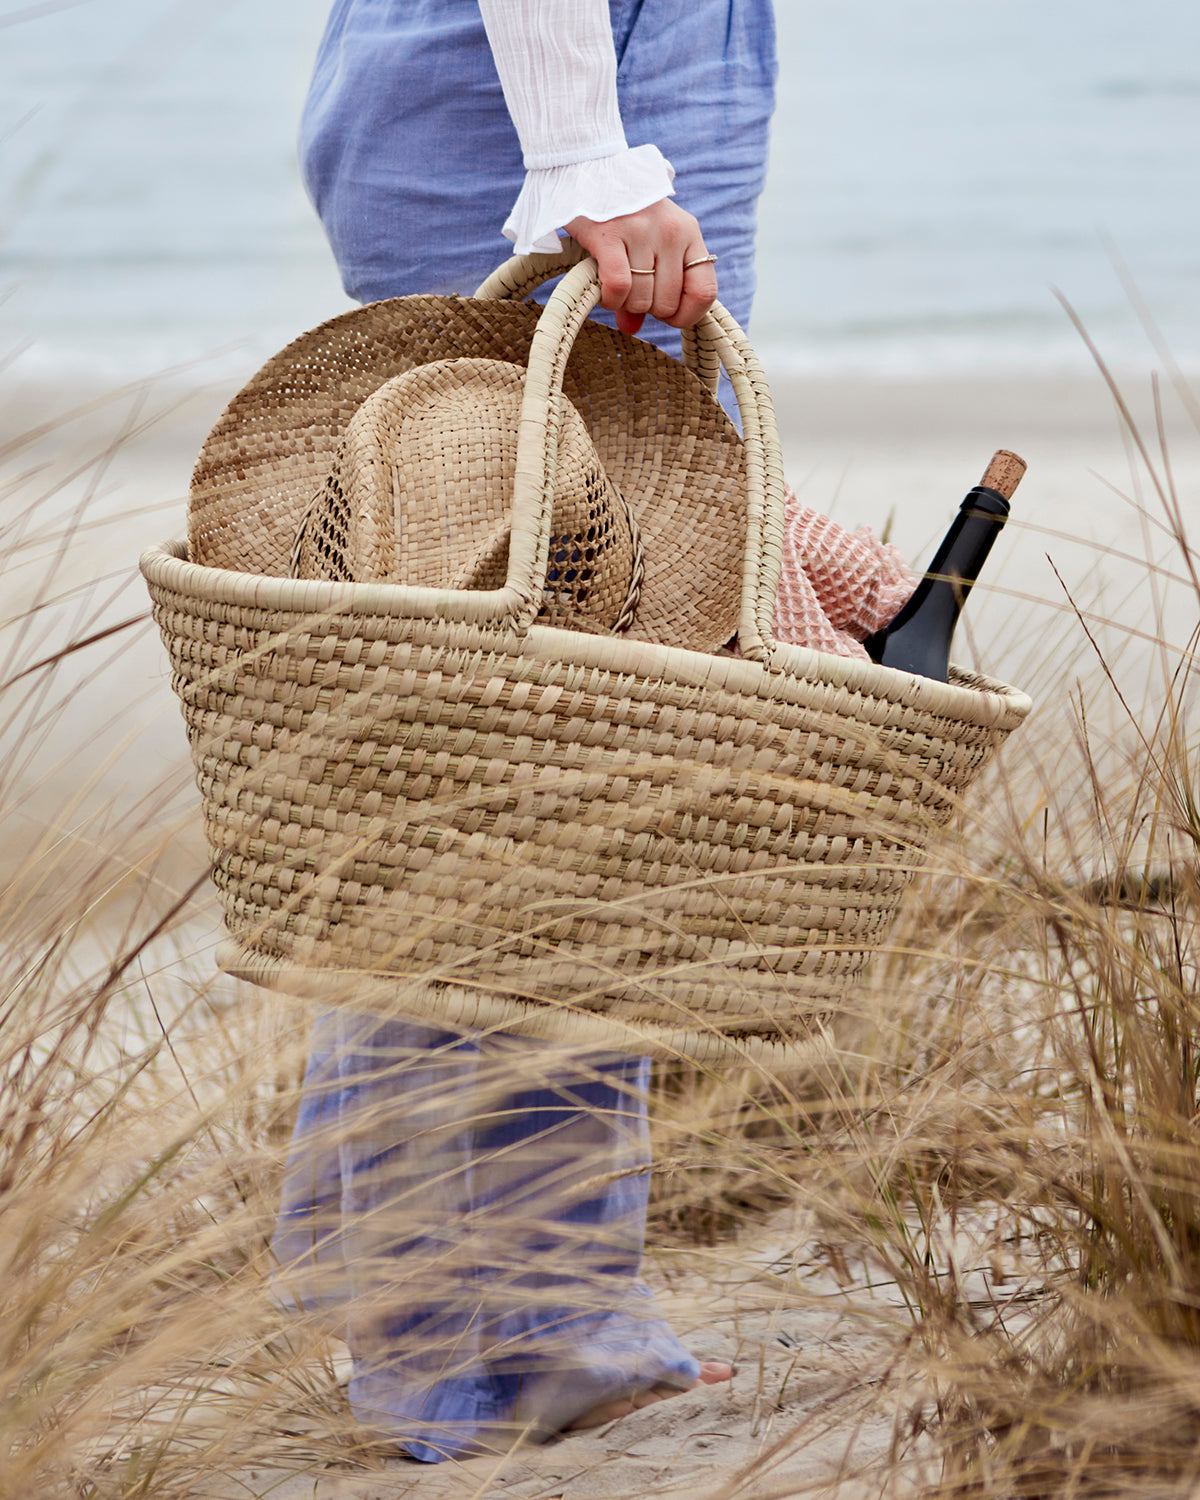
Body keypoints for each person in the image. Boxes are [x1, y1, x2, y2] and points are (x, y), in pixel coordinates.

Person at [271, 0, 777, 1463]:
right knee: (498, 706)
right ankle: (448, 1327)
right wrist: (577, 144)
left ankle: (543, 1308)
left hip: (617, 58)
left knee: (595, 691)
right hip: (537, 67)